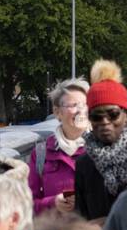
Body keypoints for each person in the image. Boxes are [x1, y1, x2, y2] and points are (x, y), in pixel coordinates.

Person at [75, 60, 127, 224]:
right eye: (96, 116)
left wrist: (109, 222)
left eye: (113, 114)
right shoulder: (84, 164)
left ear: (126, 114)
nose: (105, 122)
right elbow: (80, 220)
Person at [30, 78, 89, 216]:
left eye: (85, 105)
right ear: (57, 112)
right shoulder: (41, 153)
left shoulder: (102, 150)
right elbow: (28, 205)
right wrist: (53, 203)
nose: (80, 111)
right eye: (73, 105)